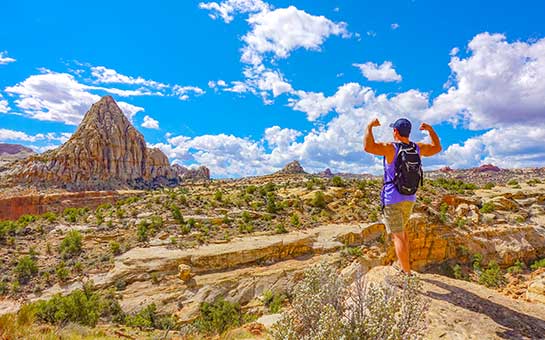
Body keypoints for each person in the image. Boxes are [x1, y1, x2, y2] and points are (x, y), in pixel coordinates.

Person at [363, 118, 442, 276]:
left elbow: (368, 147)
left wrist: (369, 127)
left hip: (392, 198)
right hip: (409, 197)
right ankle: (404, 266)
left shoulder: (391, 148)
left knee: (397, 236)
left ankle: (406, 274)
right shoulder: (417, 148)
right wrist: (431, 130)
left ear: (396, 132)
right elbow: (437, 148)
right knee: (403, 234)